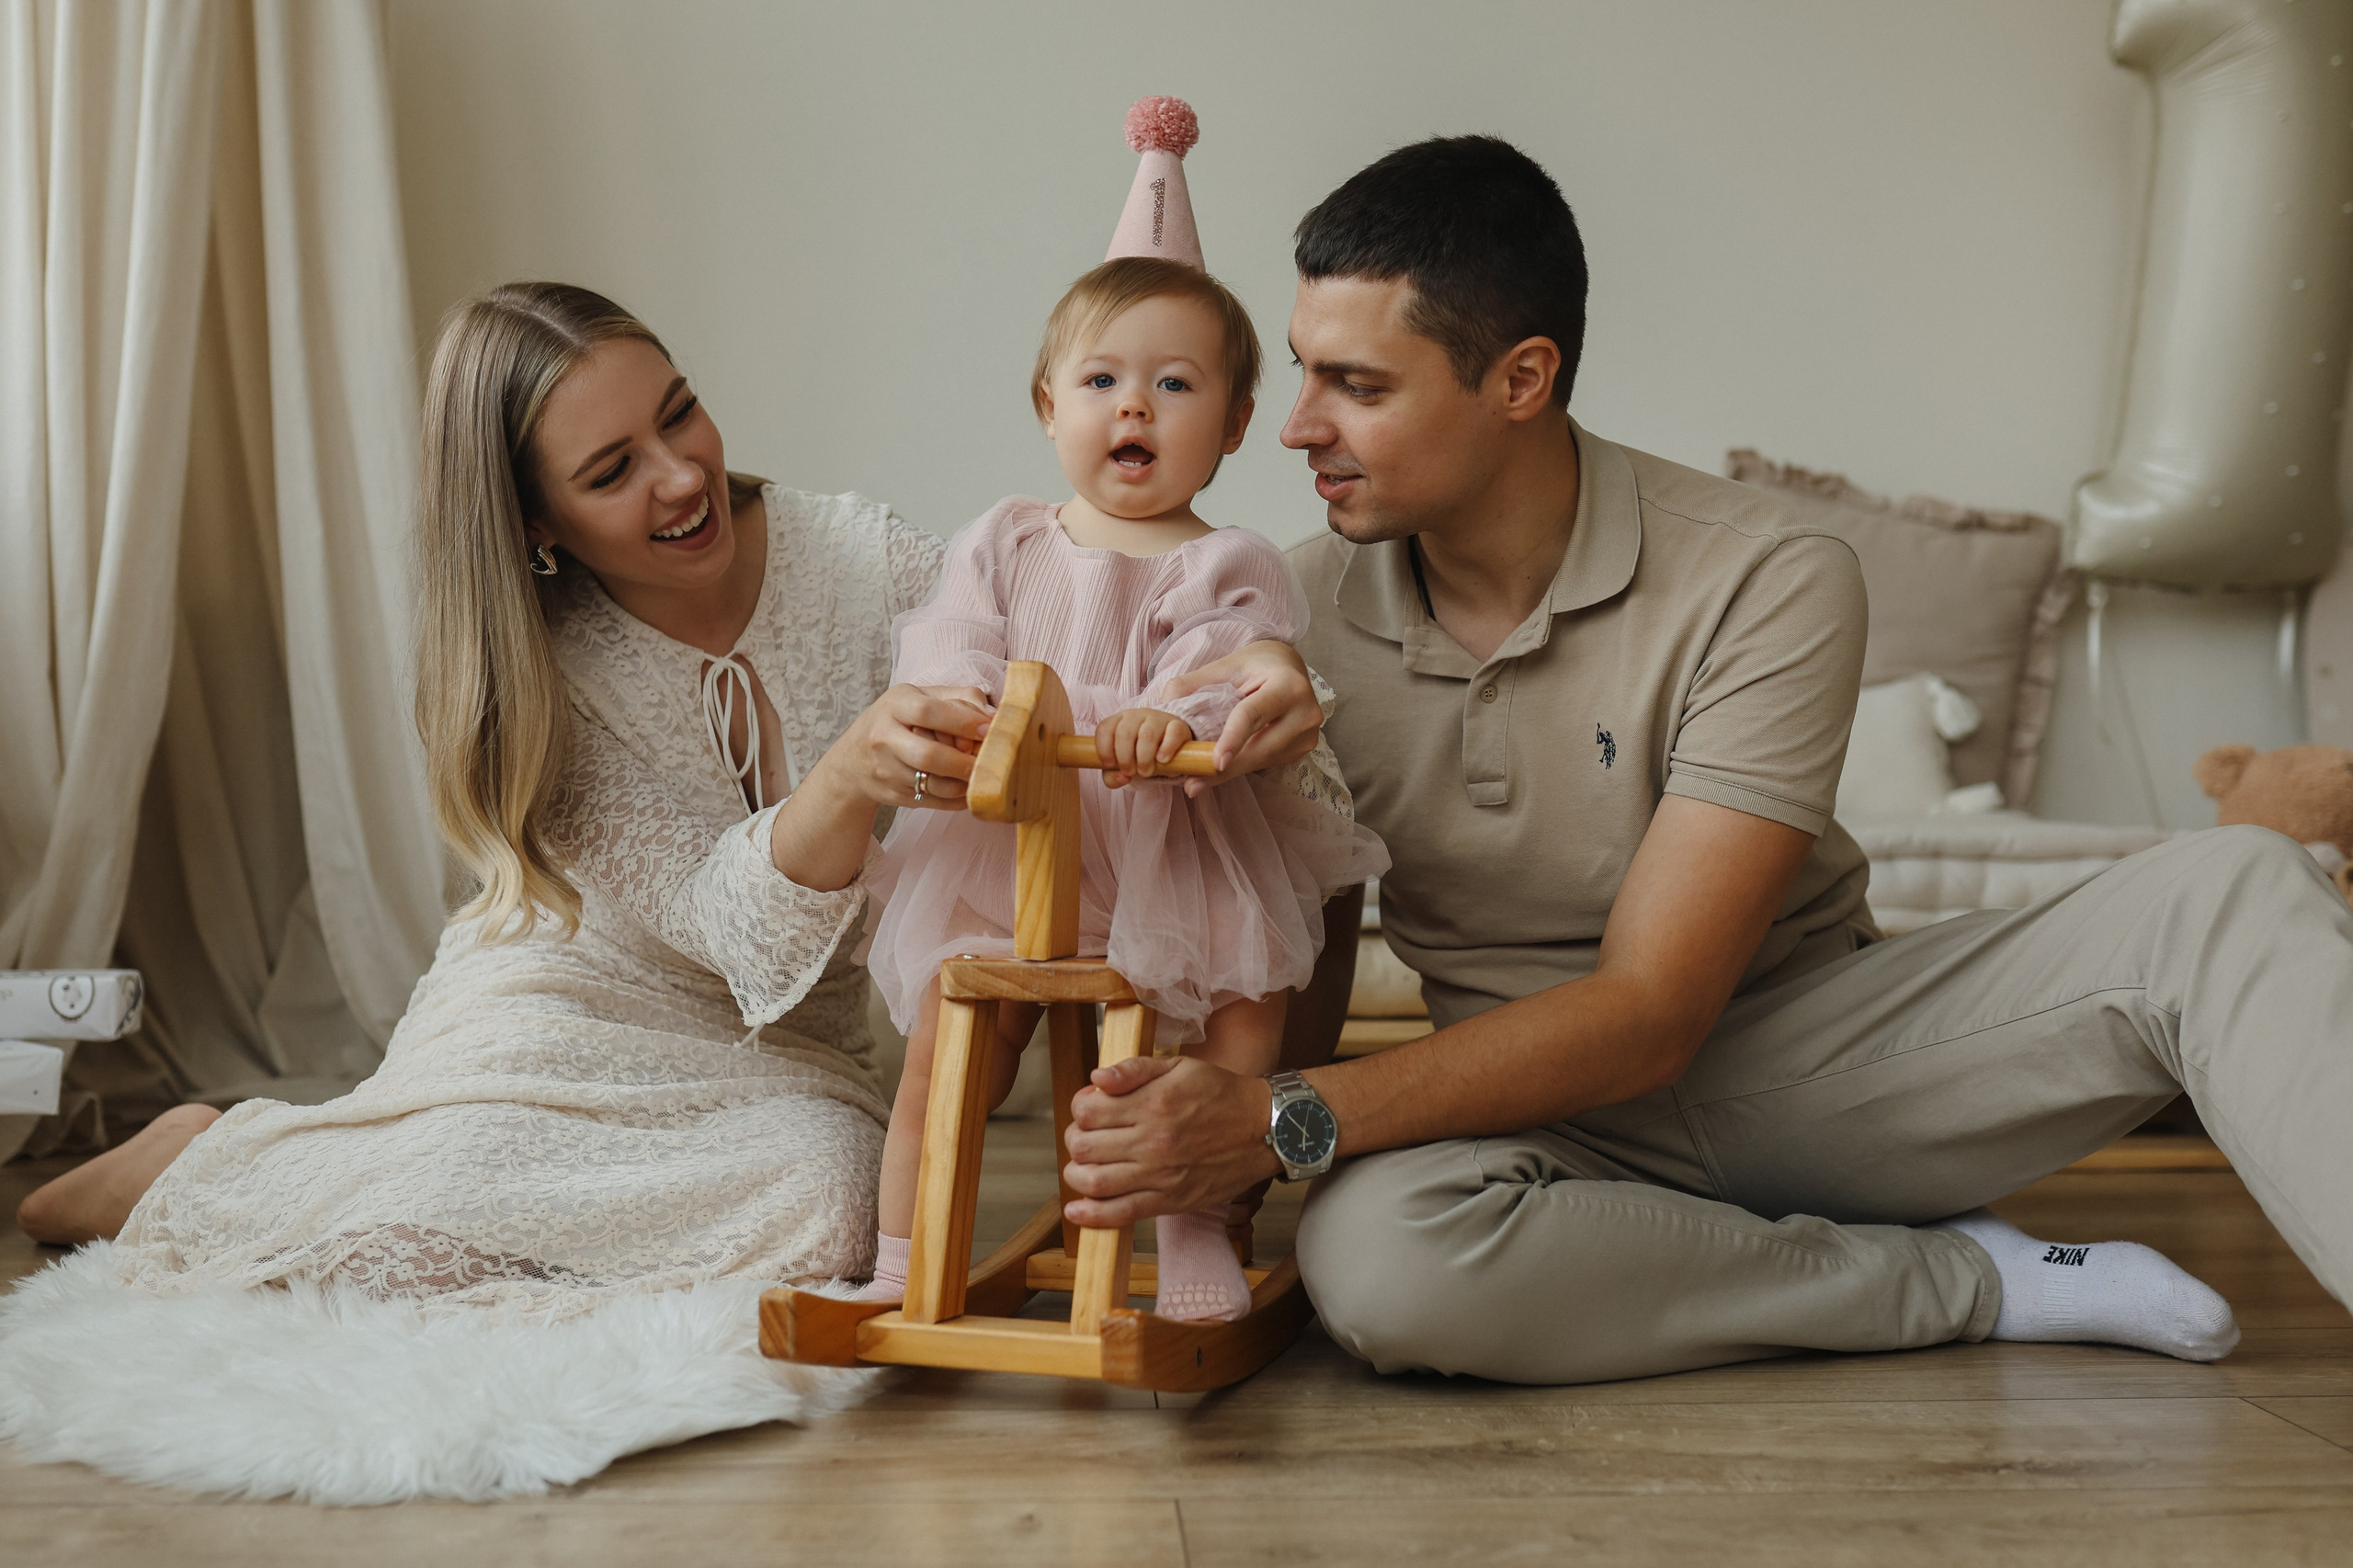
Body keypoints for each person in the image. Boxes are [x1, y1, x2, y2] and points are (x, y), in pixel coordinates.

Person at [1056, 136, 2353, 1384]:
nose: (1294, 428)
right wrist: (1228, 1139)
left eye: (1360, 385)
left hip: (1820, 1074)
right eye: (1299, 369)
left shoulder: (1770, 577)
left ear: (1520, 378)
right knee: (1383, 1268)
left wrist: (1287, 1116)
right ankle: (1970, 1279)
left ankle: (1893, 1246)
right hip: (1520, 1112)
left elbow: (1656, 1011)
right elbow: (1305, 939)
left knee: (2235, 887)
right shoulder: (1287, 614)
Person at [12, 281, 1325, 1320]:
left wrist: (1237, 695)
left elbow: (1062, 662)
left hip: (781, 1054)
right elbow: (718, 926)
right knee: (414, 1237)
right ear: (537, 527)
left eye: (679, 415)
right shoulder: (548, 674)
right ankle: (210, 1160)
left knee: (820, 1210)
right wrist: (846, 776)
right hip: (560, 1011)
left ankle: (257, 1159)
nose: (683, 475)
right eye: (611, 470)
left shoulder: (858, 553)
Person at [858, 104, 1387, 1323]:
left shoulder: (1227, 558)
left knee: (1243, 1004)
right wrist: (972, 708)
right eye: (1101, 380)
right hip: (1014, 854)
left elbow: (1244, 662)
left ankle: (1200, 1215)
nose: (1132, 408)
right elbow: (952, 653)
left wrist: (1177, 712)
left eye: (1173, 383)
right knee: (945, 1046)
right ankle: (900, 1251)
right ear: (1050, 407)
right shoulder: (1003, 539)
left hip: (1169, 846)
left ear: (1234, 424)